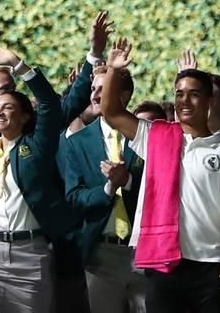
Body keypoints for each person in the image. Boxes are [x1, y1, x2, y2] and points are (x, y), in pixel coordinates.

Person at [100, 38, 220, 313]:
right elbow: (111, 111)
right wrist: (113, 69)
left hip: (211, 265)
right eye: (179, 93)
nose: (185, 100)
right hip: (163, 263)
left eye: (194, 94)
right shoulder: (155, 136)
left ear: (209, 100)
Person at [0, 44, 77, 312]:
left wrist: (17, 64)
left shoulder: (37, 148)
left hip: (31, 258)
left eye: (8, 107)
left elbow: (48, 103)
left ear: (24, 116)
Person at [61, 54, 146, 313]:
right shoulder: (78, 141)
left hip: (145, 252)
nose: (95, 96)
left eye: (103, 89)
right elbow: (75, 196)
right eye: (93, 89)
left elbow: (161, 188)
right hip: (101, 256)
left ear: (123, 97)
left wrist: (128, 180)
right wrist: (109, 188)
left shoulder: (146, 133)